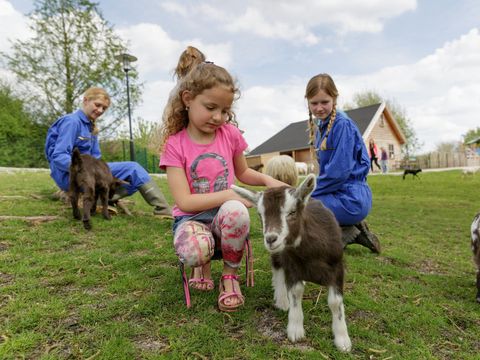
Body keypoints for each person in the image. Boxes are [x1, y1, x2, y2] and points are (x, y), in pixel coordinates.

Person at [159, 61, 286, 312]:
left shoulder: (229, 134)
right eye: (210, 107)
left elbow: (243, 172)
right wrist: (231, 193)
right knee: (197, 247)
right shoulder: (175, 145)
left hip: (222, 219)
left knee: (236, 211)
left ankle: (229, 276)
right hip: (190, 220)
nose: (218, 117)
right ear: (187, 99)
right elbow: (184, 202)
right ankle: (201, 263)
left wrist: (268, 180)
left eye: (225, 111)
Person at [45, 87, 172, 218]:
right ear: (86, 100)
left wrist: (107, 175)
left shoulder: (91, 127)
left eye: (104, 108)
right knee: (133, 168)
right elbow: (58, 156)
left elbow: (96, 158)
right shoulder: (72, 122)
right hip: (69, 176)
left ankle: (101, 201)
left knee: (132, 180)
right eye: (97, 105)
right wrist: (85, 170)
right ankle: (162, 209)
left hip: (90, 173)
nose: (100, 110)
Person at [305, 73, 381, 253]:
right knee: (298, 203)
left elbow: (337, 174)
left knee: (300, 207)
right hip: (338, 195)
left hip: (350, 198)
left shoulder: (342, 125)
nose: (319, 108)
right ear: (307, 102)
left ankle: (340, 235)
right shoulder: (323, 126)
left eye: (324, 102)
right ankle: (351, 230)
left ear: (334, 99)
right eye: (314, 103)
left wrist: (306, 193)